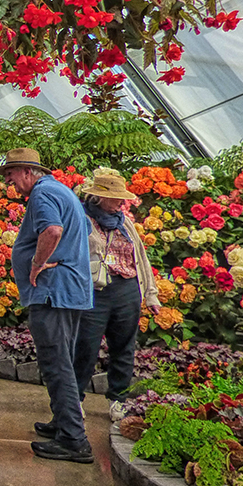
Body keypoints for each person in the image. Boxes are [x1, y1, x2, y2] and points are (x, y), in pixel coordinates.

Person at [0, 148, 94, 464]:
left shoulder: (42, 194)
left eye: (10, 173)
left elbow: (53, 230)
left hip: (53, 292)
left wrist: (37, 263)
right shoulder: (61, 191)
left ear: (27, 171)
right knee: (62, 358)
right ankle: (63, 423)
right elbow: (85, 231)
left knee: (56, 364)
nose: (8, 180)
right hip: (70, 290)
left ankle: (73, 439)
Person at [73, 173, 161, 422]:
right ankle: (74, 399)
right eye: (114, 198)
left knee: (124, 347)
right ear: (99, 197)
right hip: (96, 291)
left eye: (121, 198)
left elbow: (141, 258)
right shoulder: (83, 219)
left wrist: (151, 296)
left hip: (127, 289)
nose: (120, 203)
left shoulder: (125, 222)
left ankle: (118, 400)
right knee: (85, 346)